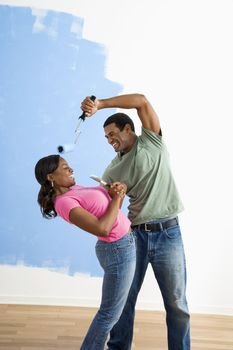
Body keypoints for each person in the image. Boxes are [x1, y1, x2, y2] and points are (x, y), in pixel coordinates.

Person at [80, 93, 190, 349]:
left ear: (128, 128)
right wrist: (115, 195)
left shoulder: (152, 141)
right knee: (124, 302)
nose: (110, 141)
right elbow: (107, 210)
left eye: (112, 134)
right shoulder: (111, 171)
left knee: (177, 303)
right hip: (134, 237)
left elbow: (141, 100)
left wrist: (100, 105)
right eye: (106, 138)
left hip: (169, 232)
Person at [34, 154, 136, 350]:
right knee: (108, 314)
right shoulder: (64, 202)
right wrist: (116, 199)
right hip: (117, 250)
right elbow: (102, 229)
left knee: (116, 310)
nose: (71, 169)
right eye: (65, 168)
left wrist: (117, 195)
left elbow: (111, 215)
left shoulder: (75, 188)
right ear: (50, 177)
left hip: (123, 246)